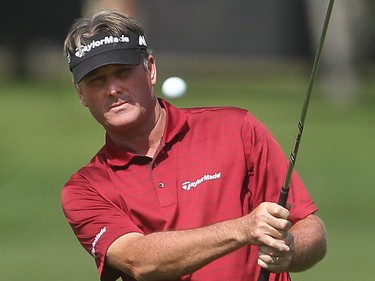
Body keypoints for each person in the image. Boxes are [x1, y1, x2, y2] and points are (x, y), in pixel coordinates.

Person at [61, 9, 327, 281]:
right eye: (97, 80)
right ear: (81, 94)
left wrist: (290, 249)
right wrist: (242, 229)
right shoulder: (86, 190)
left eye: (123, 72)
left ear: (150, 68)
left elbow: (309, 226)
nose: (113, 88)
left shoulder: (236, 128)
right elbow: (139, 261)